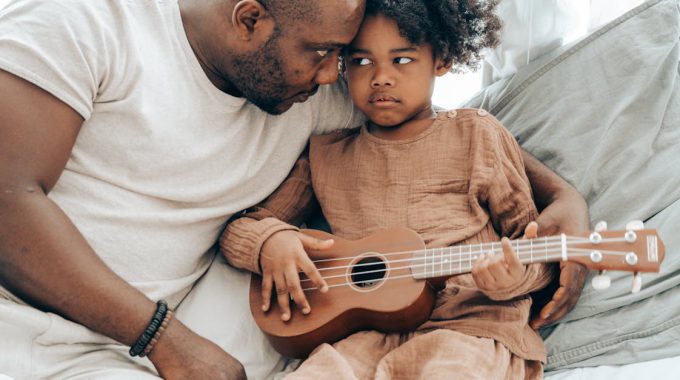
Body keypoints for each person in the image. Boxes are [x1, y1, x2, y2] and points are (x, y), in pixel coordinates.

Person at [0, 0, 586, 379]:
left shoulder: (313, 92)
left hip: (147, 341)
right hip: (27, 325)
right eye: (327, 54)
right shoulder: (87, 23)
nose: (339, 75)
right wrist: (167, 341)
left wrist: (565, 198)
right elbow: (6, 202)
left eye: (344, 55)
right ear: (249, 19)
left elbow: (440, 135)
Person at [221, 1, 580, 379]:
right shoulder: (327, 155)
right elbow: (239, 228)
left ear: (441, 60)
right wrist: (269, 243)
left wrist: (513, 279)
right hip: (364, 334)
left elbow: (535, 245)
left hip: (471, 327)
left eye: (402, 60)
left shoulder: (477, 134)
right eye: (361, 62)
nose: (380, 78)